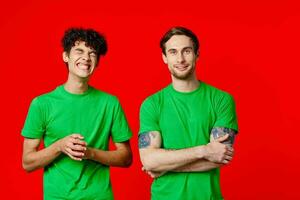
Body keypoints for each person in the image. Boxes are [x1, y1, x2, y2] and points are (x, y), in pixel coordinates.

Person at [22, 28, 132, 200]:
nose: (86, 58)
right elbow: (27, 162)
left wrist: (90, 153)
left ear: (98, 61)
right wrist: (59, 146)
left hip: (100, 196)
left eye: (92, 53)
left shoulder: (110, 103)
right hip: (57, 196)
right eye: (79, 51)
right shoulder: (41, 104)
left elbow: (126, 158)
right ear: (65, 56)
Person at [138, 27, 238, 200]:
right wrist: (203, 150)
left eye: (187, 51)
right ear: (164, 58)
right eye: (173, 52)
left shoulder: (221, 100)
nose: (180, 59)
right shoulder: (151, 104)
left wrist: (163, 165)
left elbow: (219, 157)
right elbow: (149, 161)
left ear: (197, 54)